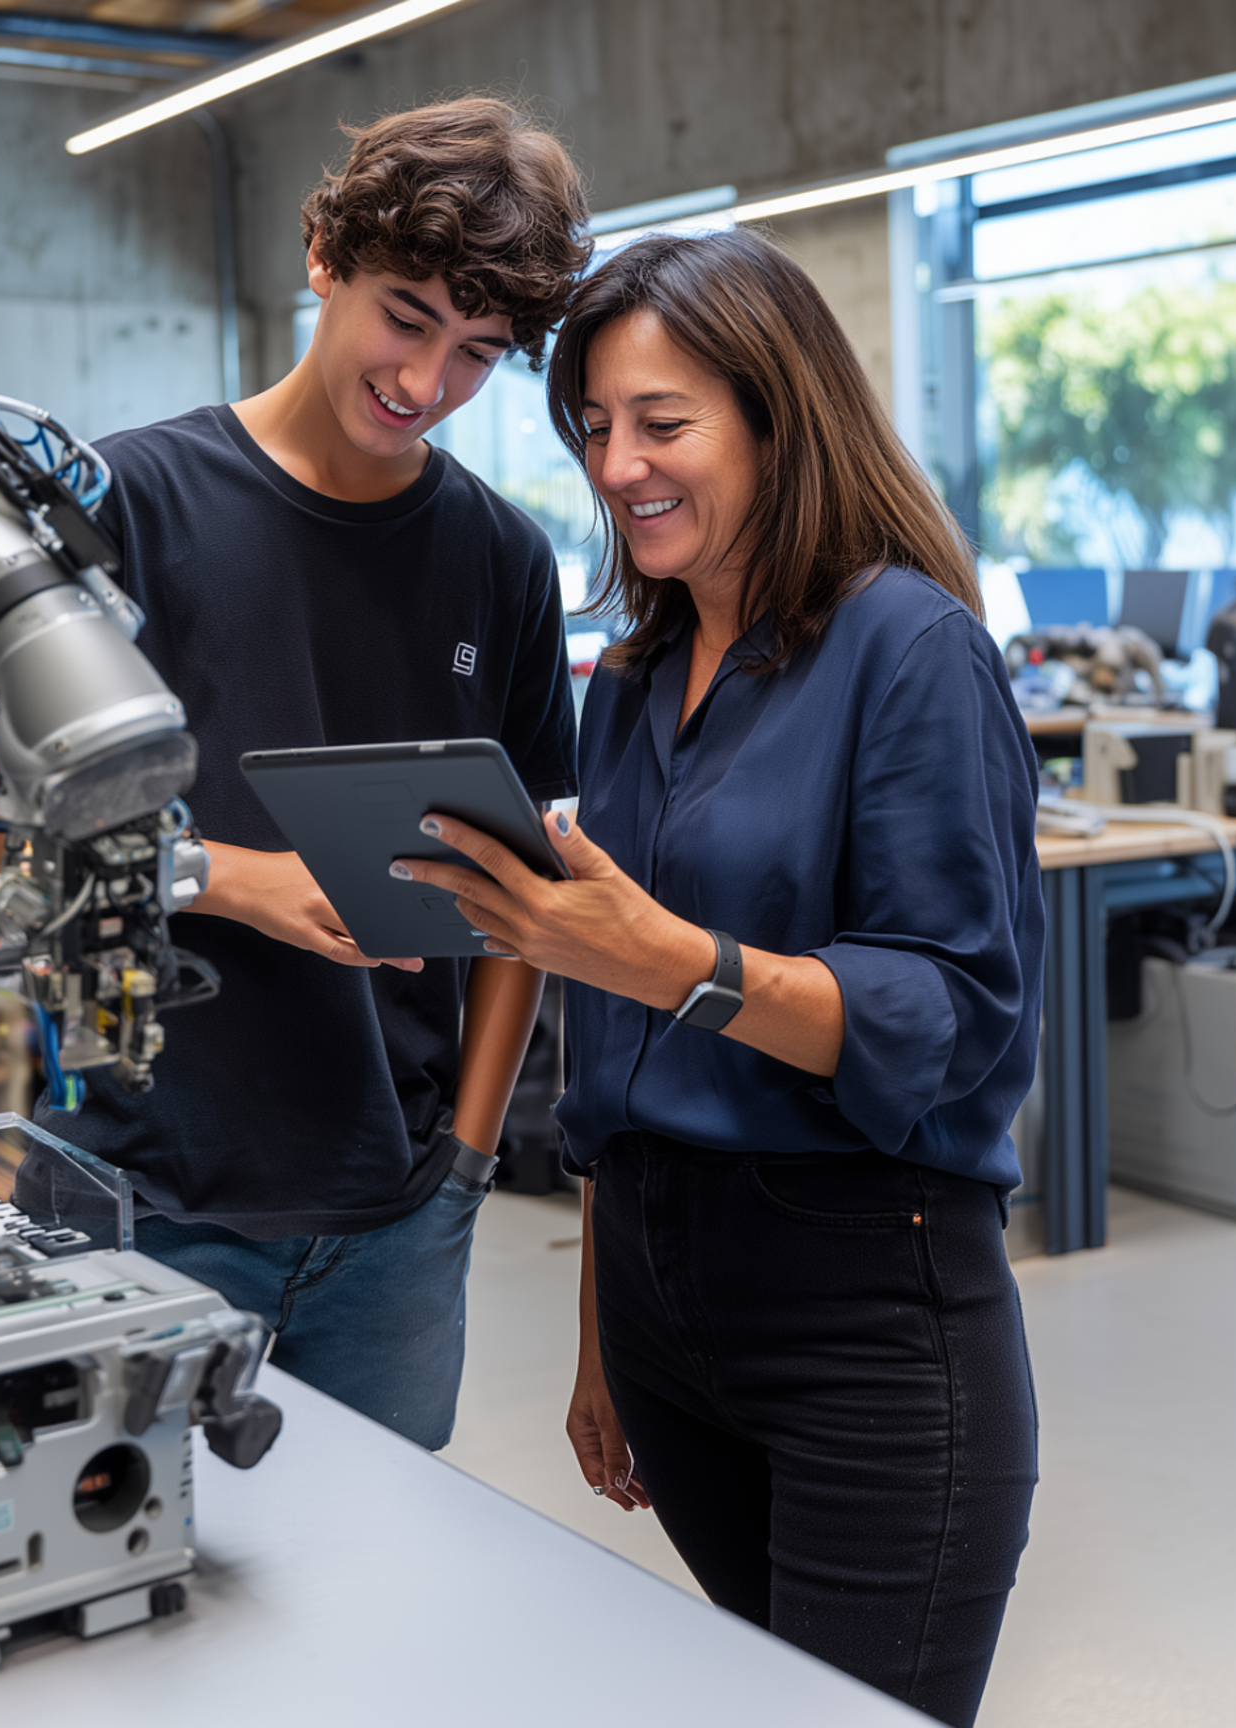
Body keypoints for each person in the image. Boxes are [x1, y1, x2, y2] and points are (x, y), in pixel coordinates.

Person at [394, 230, 1042, 1728]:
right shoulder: (628, 679)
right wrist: (607, 1337)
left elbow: (950, 1020)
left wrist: (677, 961)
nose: (620, 466)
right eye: (595, 429)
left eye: (663, 424)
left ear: (776, 416)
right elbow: (612, 1064)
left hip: (862, 1312)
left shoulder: (911, 649)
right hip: (660, 1306)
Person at [0, 98, 591, 1451]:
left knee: (366, 1627)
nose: (426, 383)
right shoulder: (126, 505)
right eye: (406, 316)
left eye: (477, 353)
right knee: (125, 1621)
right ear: (324, 255)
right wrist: (235, 880)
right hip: (139, 1195)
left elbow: (528, 893)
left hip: (396, 1225)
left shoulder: (502, 561)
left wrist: (467, 1163)